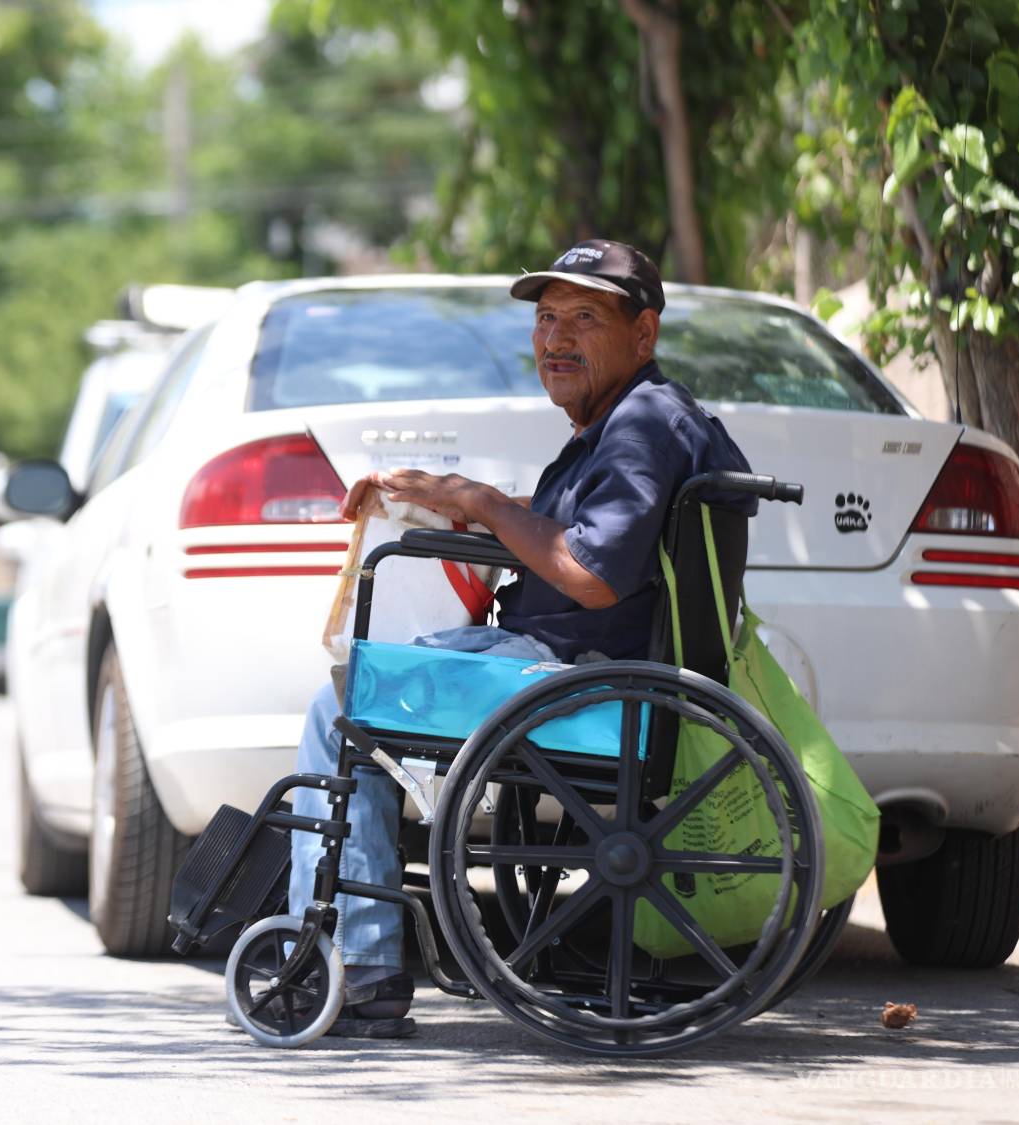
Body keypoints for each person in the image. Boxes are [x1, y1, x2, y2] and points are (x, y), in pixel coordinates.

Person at [287, 239, 754, 1038]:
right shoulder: (627, 422)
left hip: (580, 685)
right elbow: (569, 536)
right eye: (544, 319)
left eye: (583, 318)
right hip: (584, 677)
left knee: (340, 712)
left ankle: (355, 966)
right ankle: (351, 948)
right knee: (367, 684)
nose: (555, 339)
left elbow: (593, 571)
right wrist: (447, 499)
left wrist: (482, 501)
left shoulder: (642, 422)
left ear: (643, 335)